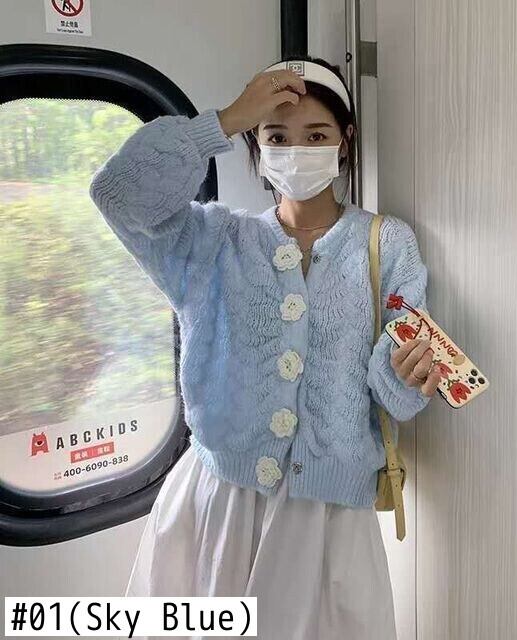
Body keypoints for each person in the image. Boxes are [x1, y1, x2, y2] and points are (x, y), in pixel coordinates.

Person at [89, 54, 442, 640]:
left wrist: (409, 376)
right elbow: (117, 193)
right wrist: (225, 120)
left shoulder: (387, 245)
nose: (296, 150)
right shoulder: (213, 241)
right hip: (218, 505)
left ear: (345, 140)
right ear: (256, 145)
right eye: (277, 136)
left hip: (328, 518)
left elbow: (397, 394)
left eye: (316, 135)